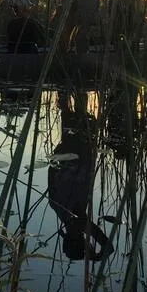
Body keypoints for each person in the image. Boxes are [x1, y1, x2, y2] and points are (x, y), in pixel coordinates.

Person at [48, 90, 109, 261]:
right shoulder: (71, 214)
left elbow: (52, 169)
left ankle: (68, 80)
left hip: (72, 147)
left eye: (81, 239)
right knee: (76, 109)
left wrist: (95, 256)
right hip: (80, 149)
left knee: (70, 109)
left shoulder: (75, 219)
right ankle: (74, 80)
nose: (83, 235)